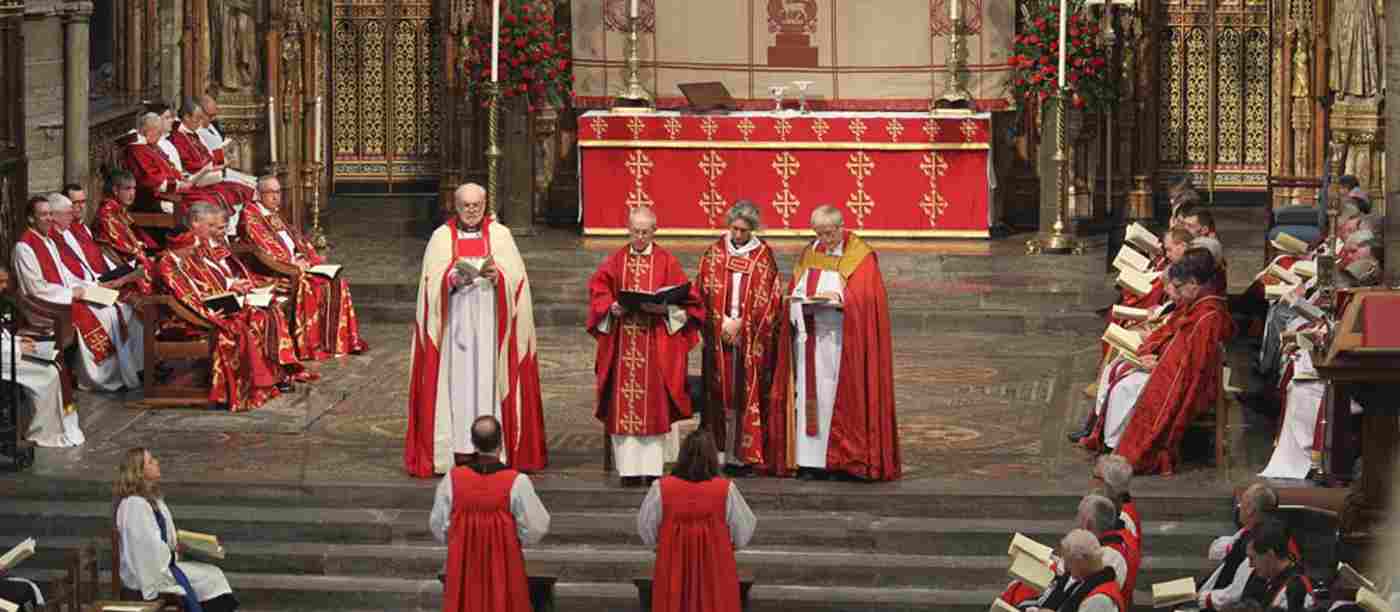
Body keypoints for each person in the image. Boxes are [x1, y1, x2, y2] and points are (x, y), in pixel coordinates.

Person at [406, 184, 546, 477]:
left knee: (487, 380)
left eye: (477, 205)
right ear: (455, 206)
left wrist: (499, 277)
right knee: (459, 384)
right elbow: (430, 283)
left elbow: (518, 281)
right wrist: (450, 280)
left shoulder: (501, 235)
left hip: (491, 326)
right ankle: (458, 446)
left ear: (485, 205)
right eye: (466, 205)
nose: (471, 211)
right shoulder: (441, 238)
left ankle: (492, 447)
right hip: (455, 329)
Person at [768, 205, 900, 481]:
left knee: (843, 398)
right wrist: (796, 301)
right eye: (819, 233)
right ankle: (810, 461)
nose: (825, 240)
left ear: (841, 227)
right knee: (809, 397)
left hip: (844, 342)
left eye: (829, 233)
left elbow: (867, 300)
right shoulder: (810, 252)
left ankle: (846, 460)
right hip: (809, 339)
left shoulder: (860, 256)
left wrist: (842, 299)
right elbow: (795, 288)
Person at [1086, 249, 1234, 474]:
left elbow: (1192, 366)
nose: (1176, 292)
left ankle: (1118, 452)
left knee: (1126, 387)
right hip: (1171, 368)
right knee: (1118, 369)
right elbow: (1179, 345)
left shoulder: (1207, 314)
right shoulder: (1198, 303)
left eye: (1178, 287)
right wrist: (1155, 357)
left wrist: (1157, 366)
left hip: (1188, 382)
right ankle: (1111, 442)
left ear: (1193, 283)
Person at [587, 207, 702, 487]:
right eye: (635, 231)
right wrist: (611, 307)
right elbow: (598, 291)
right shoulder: (616, 261)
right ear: (628, 229)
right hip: (623, 345)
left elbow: (691, 303)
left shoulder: (667, 262)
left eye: (645, 232)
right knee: (623, 406)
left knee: (654, 407)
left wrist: (664, 310)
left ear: (654, 231)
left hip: (655, 346)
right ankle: (628, 470)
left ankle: (652, 469)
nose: (639, 237)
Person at [155, 203, 287, 410]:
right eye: (190, 247)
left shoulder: (182, 257)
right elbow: (184, 297)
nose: (194, 250)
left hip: (203, 309)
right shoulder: (166, 264)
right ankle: (241, 388)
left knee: (262, 313)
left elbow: (199, 287)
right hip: (182, 321)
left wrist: (221, 298)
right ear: (180, 246)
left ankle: (271, 376)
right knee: (240, 326)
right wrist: (210, 314)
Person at [12, 194, 143, 392]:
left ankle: (129, 369)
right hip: (45, 306)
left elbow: (64, 277)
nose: (49, 219)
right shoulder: (24, 247)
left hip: (63, 297)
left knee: (118, 306)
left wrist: (86, 289)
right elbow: (35, 288)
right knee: (107, 314)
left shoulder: (47, 241)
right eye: (43, 215)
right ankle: (100, 377)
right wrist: (72, 294)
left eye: (50, 214)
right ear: (31, 218)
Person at [695, 201, 783, 476]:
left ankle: (743, 456)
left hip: (749, 339)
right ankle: (718, 453)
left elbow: (770, 299)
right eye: (733, 228)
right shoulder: (714, 253)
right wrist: (720, 323)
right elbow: (701, 292)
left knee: (745, 395)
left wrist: (742, 325)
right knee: (719, 393)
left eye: (743, 230)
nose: (737, 235)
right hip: (719, 335)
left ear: (752, 229)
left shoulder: (763, 256)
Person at [429, 415, 550, 612]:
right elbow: (537, 526)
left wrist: (461, 540)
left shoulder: (452, 479)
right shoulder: (517, 482)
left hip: (464, 567)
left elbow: (438, 525)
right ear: (501, 442)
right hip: (505, 566)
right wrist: (511, 540)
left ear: (473, 443)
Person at [240, 175, 367, 360]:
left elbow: (295, 238)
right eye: (270, 192)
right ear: (259, 194)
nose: (276, 197)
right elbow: (264, 246)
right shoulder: (251, 215)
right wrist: (292, 264)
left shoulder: (274, 213)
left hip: (294, 265)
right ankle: (309, 345)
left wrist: (307, 258)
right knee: (310, 285)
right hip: (274, 273)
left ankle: (336, 342)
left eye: (278, 192)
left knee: (336, 282)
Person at [638, 429, 757, 612]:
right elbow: (744, 528)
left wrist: (660, 544)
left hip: (673, 565)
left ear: (682, 456)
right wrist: (730, 544)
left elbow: (646, 526)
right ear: (712, 457)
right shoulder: (726, 489)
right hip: (715, 566)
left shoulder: (661, 488)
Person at [114, 448, 239, 612]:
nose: (156, 462)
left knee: (214, 575)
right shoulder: (134, 505)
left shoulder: (153, 499)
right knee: (212, 579)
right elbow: (146, 550)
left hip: (162, 565)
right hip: (149, 576)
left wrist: (184, 544)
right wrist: (173, 552)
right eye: (150, 461)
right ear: (139, 472)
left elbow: (164, 538)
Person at [0, 266, 74, 449]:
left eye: (5, 282)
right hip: (5, 357)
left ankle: (46, 428)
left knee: (51, 367)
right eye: (0, 282)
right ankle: (42, 432)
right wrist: (16, 347)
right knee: (48, 373)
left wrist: (17, 340)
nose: (4, 286)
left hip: (8, 353)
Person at [167, 98, 255, 227]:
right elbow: (192, 166)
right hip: (197, 181)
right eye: (197, 118)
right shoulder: (178, 138)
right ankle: (225, 230)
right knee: (220, 197)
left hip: (210, 177)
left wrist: (222, 159)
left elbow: (208, 155)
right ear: (186, 117)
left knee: (244, 189)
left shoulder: (193, 133)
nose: (200, 122)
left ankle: (242, 229)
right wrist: (215, 165)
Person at [1198, 484, 1278, 611]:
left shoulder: (1256, 546)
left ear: (1250, 510)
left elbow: (1234, 594)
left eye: (1242, 502)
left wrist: (1202, 598)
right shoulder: (1248, 532)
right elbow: (1215, 550)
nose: (1239, 506)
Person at [124, 112, 222, 215]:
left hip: (172, 191)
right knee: (202, 204)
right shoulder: (137, 150)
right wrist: (180, 185)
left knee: (210, 197)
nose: (159, 137)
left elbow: (171, 169)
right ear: (149, 131)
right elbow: (153, 181)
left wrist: (183, 179)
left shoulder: (151, 146)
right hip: (155, 198)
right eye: (159, 133)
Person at [93, 169, 159, 294]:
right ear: (115, 190)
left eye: (134, 189)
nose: (132, 193)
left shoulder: (120, 210)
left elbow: (136, 233)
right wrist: (143, 252)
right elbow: (122, 245)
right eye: (127, 189)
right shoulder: (107, 213)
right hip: (117, 262)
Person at [1046, 530, 1126, 612]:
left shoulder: (1099, 601)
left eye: (1068, 562)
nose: (1066, 568)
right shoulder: (1089, 580)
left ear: (1080, 562)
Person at [1247, 517, 1312, 611]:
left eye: (1252, 558)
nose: (1250, 565)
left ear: (1270, 555)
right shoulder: (1270, 581)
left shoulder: (1296, 588)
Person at [1093, 454, 1141, 540]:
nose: (1092, 482)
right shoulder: (1107, 507)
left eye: (1095, 477)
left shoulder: (1123, 518)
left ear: (1109, 484)